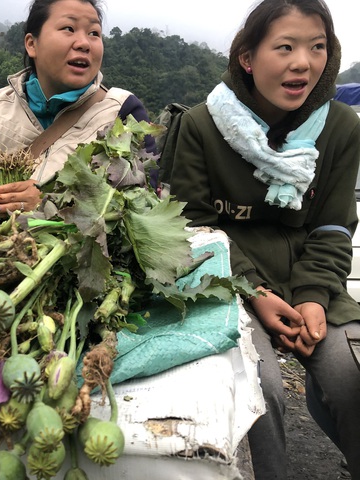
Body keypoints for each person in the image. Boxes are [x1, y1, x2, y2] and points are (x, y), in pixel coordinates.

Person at [167, 0, 360, 478]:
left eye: (318, 48)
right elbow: (191, 229)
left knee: (350, 373)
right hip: (229, 281)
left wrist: (315, 297)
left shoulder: (340, 127)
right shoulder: (200, 126)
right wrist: (255, 292)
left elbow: (335, 226)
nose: (303, 62)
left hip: (312, 281)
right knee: (257, 388)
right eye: (286, 47)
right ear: (248, 59)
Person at [0, 0, 156, 228]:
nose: (84, 43)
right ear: (32, 44)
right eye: (69, 28)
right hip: (8, 258)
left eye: (94, 33)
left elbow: (143, 205)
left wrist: (47, 203)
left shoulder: (122, 111)